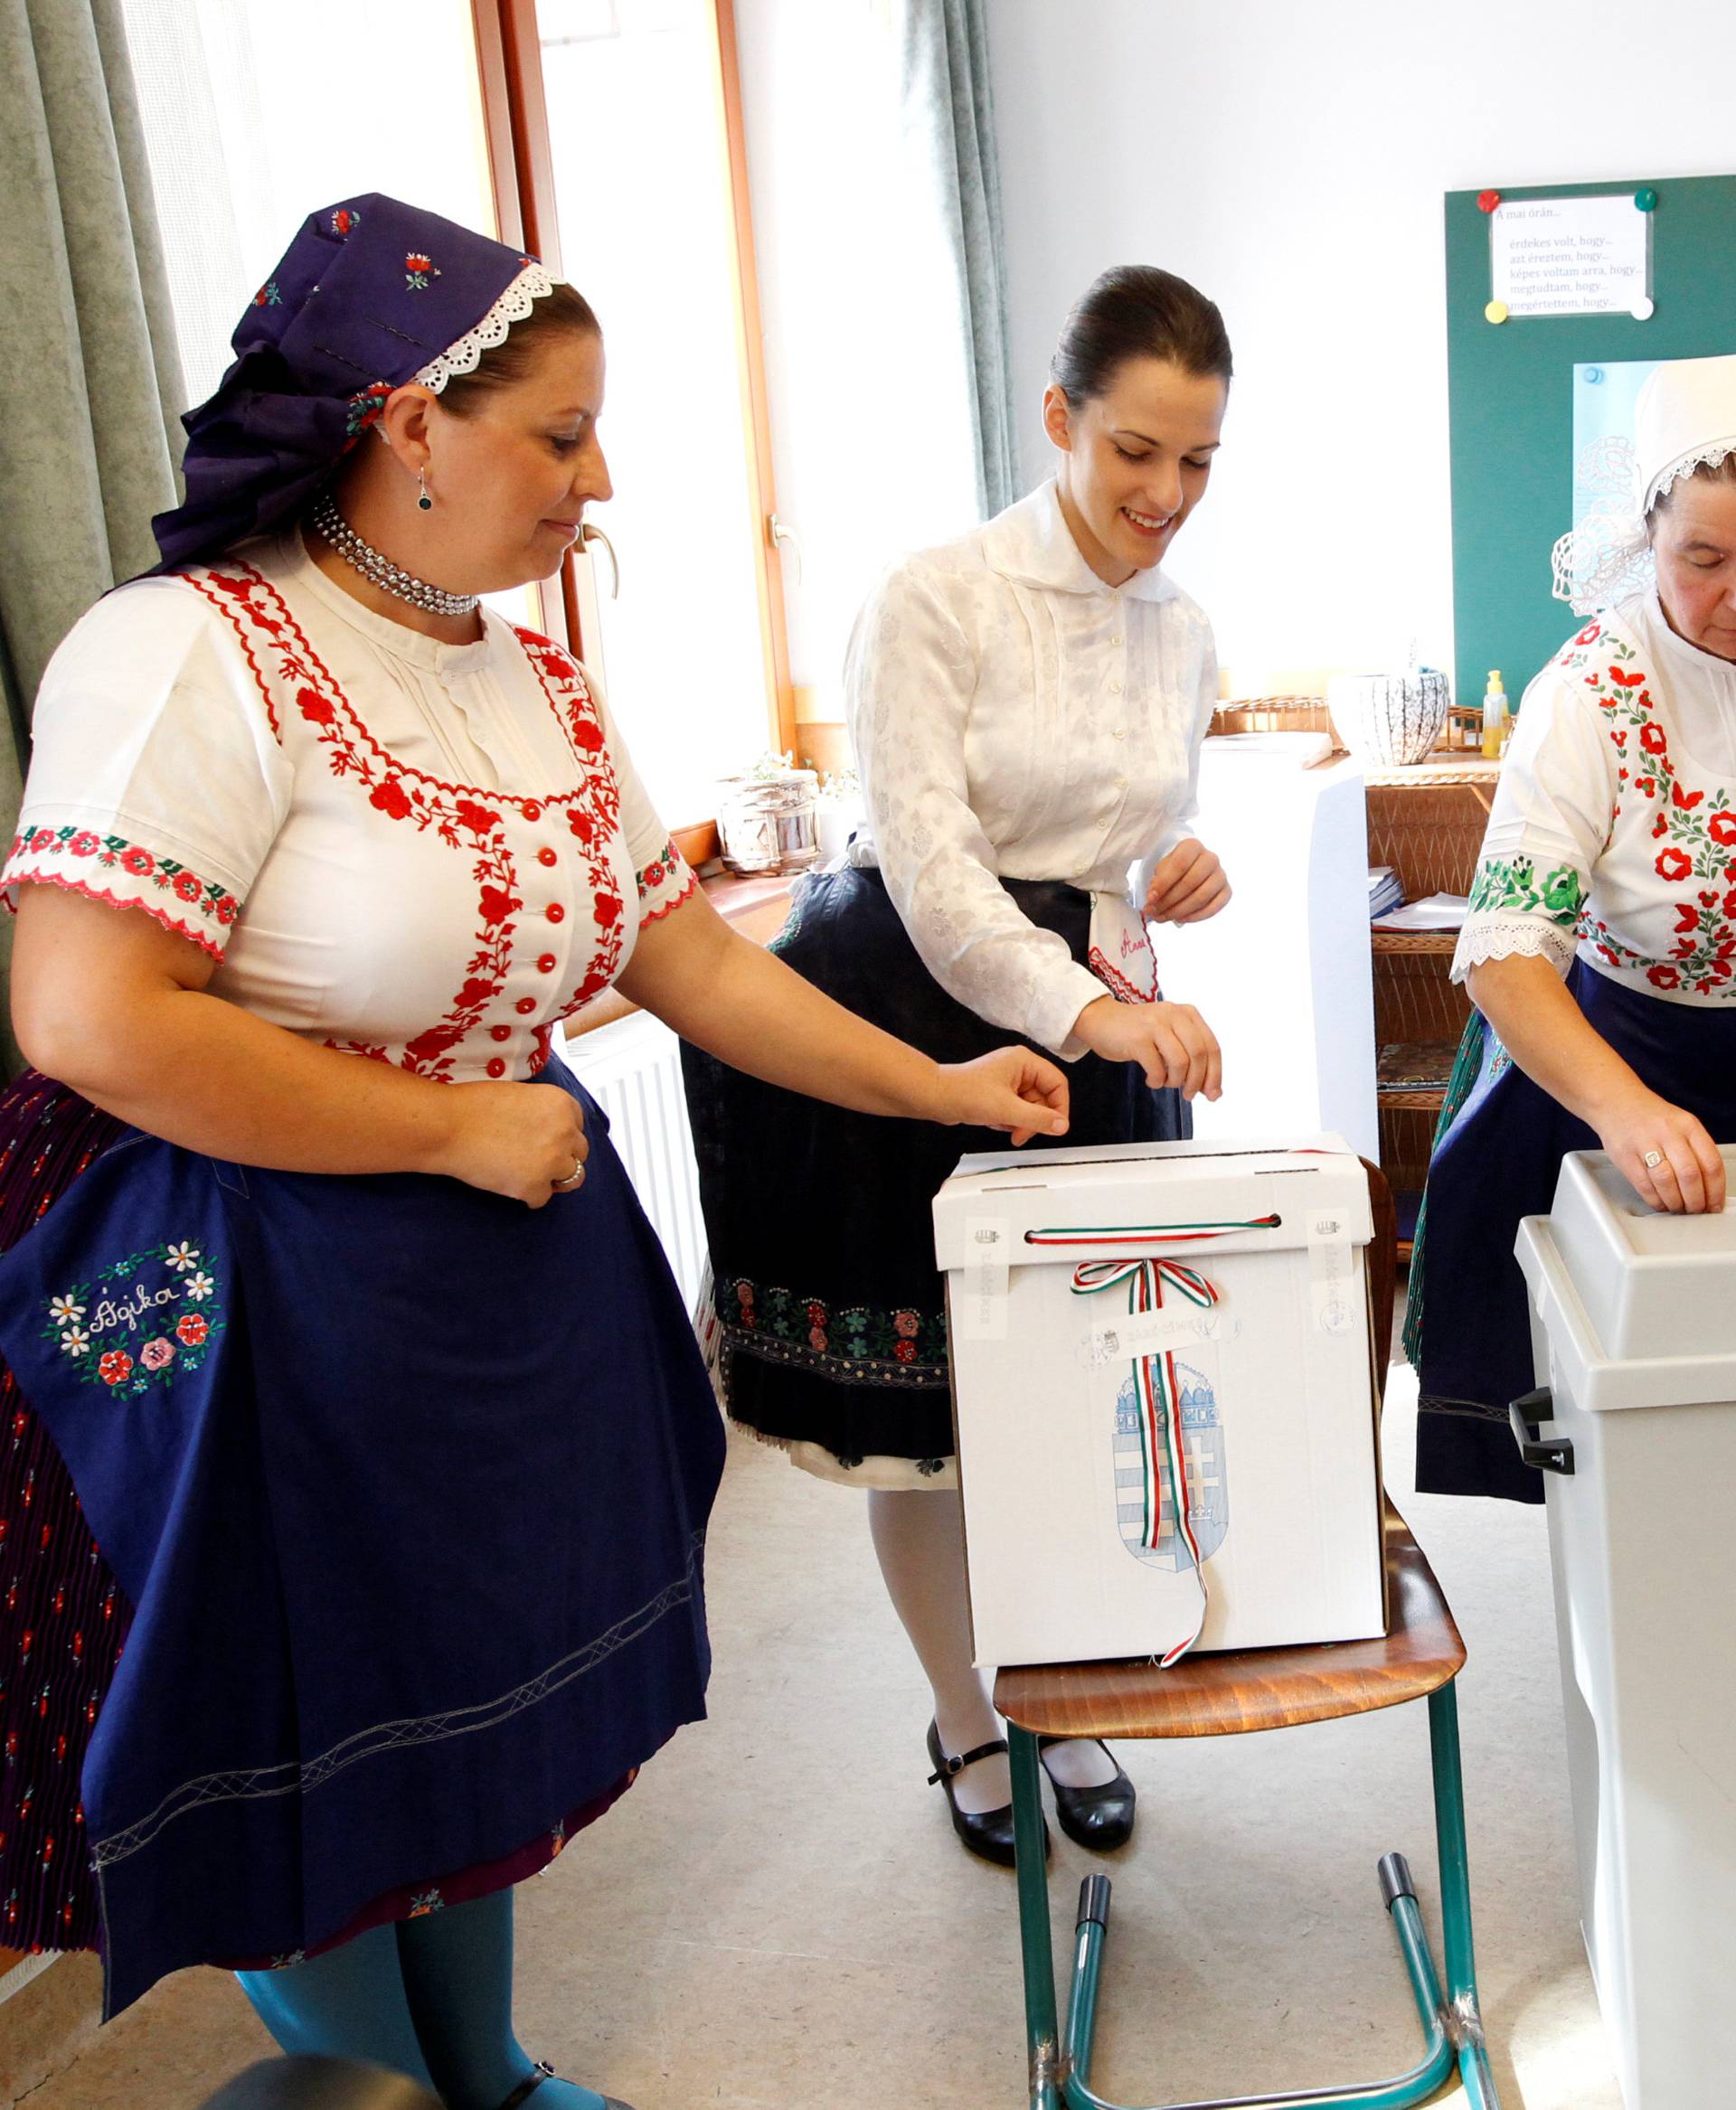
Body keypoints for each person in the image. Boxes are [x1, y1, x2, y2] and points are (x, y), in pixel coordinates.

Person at [0, 195, 1069, 2110]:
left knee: (453, 1703)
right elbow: (89, 1021)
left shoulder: (527, 680)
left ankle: (477, 2068)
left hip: (492, 1263)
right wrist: (445, 1128)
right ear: (407, 422)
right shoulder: (186, 655)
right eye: (561, 438)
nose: (600, 481)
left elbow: (676, 959)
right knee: (317, 1713)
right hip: (265, 1277)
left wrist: (942, 1081)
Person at [684, 266, 1234, 1866]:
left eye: (1197, 461)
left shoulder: (1183, 624)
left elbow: (1108, 841)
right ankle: (965, 1710)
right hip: (907, 1013)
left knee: (1082, 1398)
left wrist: (1166, 870)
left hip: (1091, 1021)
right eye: (1136, 449)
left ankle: (1069, 1686)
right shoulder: (932, 598)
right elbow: (935, 874)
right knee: (928, 1417)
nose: (1164, 494)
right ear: (1058, 418)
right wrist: (1092, 1005)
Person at [1407, 353, 1736, 1504]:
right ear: (1645, 542)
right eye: (1704, 560)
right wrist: (1627, 1113)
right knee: (1622, 1444)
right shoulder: (1591, 694)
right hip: (1613, 1054)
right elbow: (1503, 955)